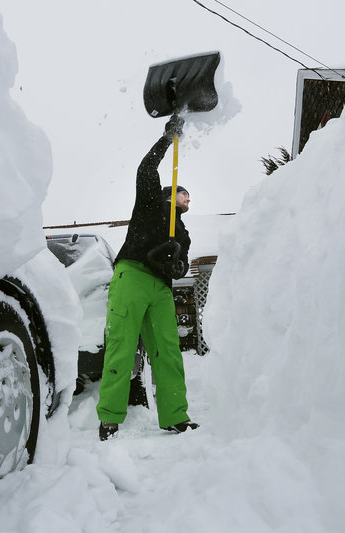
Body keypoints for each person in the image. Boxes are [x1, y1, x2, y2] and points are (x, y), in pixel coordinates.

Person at [96, 115, 199, 441]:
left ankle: (175, 416)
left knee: (167, 352)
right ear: (171, 193)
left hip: (160, 289)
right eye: (184, 194)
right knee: (122, 346)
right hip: (132, 275)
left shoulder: (182, 232)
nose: (188, 200)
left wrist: (177, 268)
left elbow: (182, 265)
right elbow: (146, 169)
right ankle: (110, 419)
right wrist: (167, 139)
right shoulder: (150, 202)